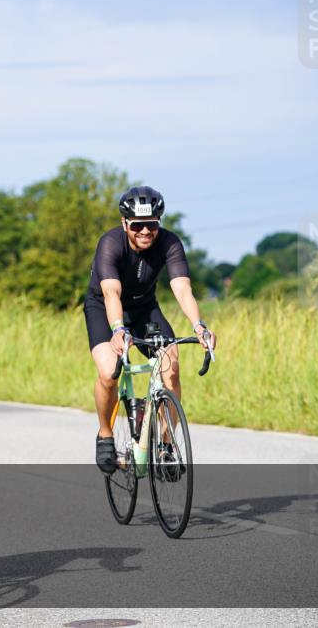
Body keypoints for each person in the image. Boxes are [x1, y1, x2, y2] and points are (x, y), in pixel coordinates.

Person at [84, 186, 217, 474]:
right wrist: (118, 329)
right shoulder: (110, 243)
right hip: (105, 307)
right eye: (138, 225)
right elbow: (110, 293)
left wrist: (199, 326)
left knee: (171, 366)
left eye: (152, 225)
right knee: (108, 372)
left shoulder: (169, 243)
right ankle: (105, 433)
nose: (146, 231)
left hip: (145, 308)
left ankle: (165, 446)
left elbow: (182, 288)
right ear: (124, 224)